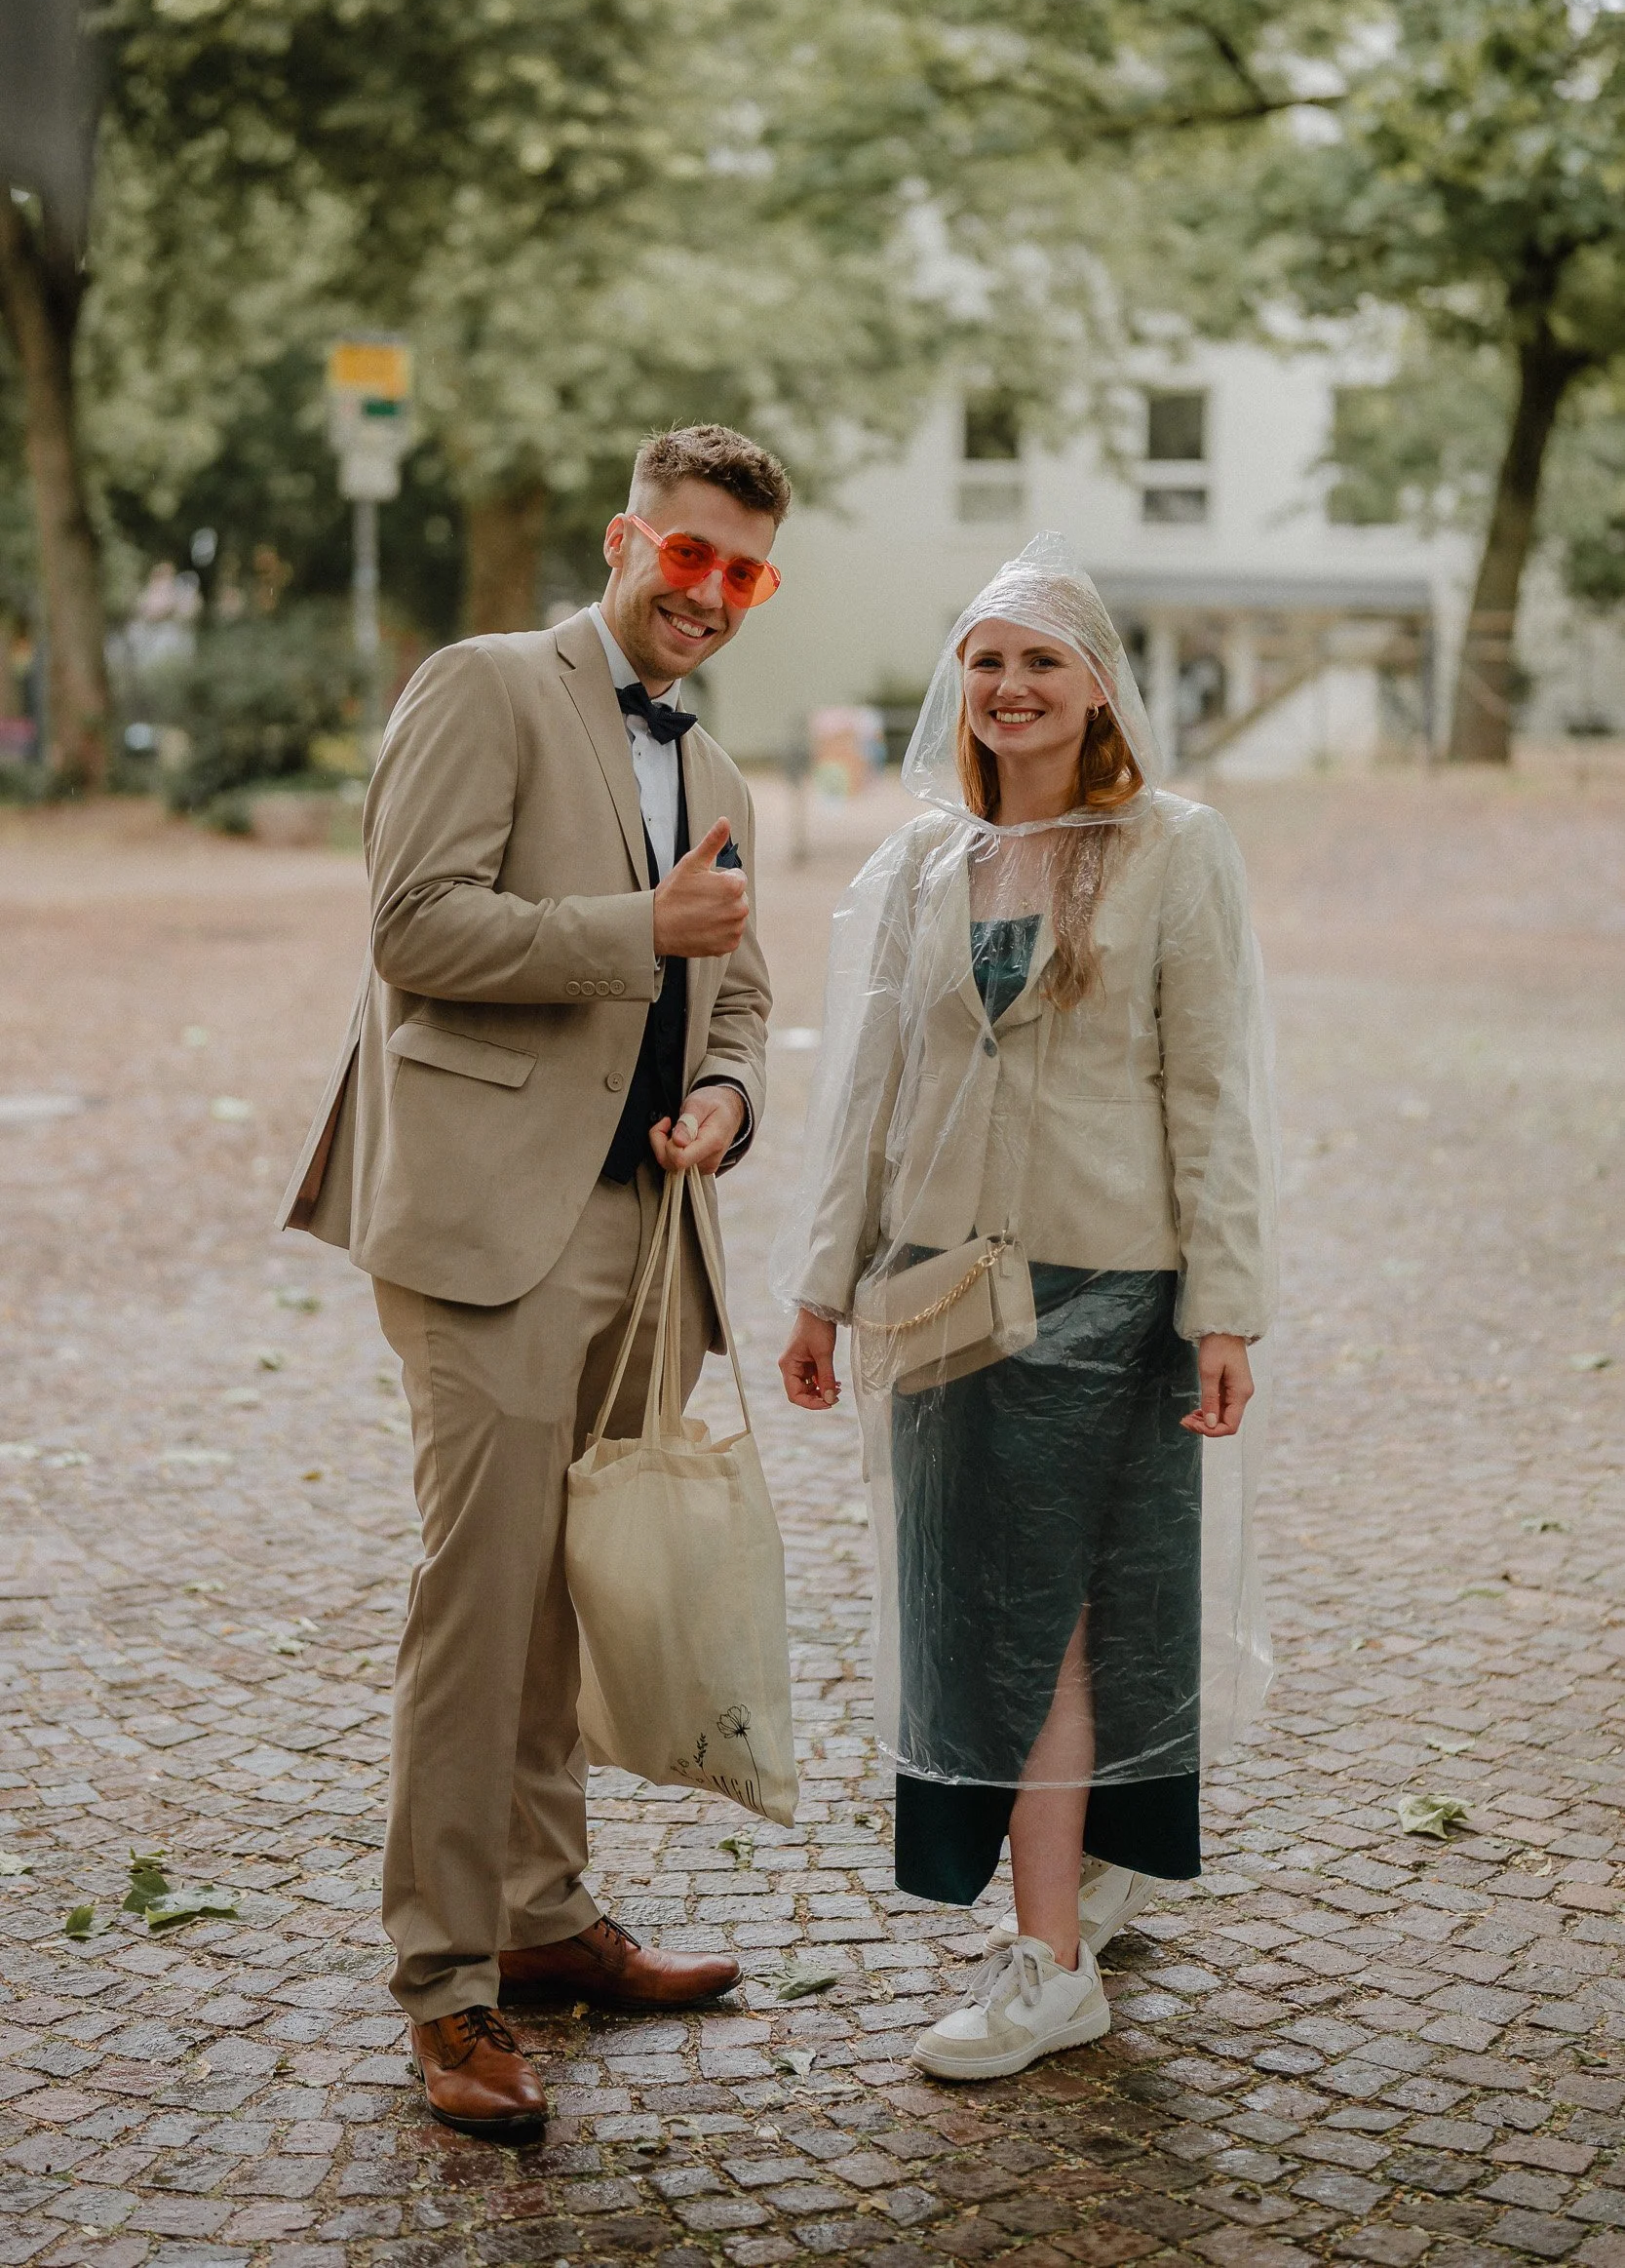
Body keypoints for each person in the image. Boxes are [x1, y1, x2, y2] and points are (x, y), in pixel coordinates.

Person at [278, 424, 785, 2138]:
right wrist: (629, 938)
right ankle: (443, 1987)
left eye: (743, 573)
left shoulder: (715, 775)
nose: (708, 595)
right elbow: (415, 926)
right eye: (688, 556)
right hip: (490, 1220)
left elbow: (744, 1002)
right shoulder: (485, 685)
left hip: (651, 1237)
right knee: (478, 1596)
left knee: (567, 1592)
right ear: (626, 540)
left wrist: (726, 1094)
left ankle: (549, 1921)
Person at [774, 534, 1276, 2083]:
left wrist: (1225, 1306)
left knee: (1055, 1622)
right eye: (984, 659)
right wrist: (818, 1287)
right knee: (976, 1617)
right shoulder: (923, 863)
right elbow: (868, 1088)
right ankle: (1078, 1883)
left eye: (1039, 660)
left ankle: (1049, 1960)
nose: (1006, 687)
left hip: (1099, 1289)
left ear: (1096, 686)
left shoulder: (1173, 850)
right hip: (936, 1288)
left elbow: (1210, 1089)